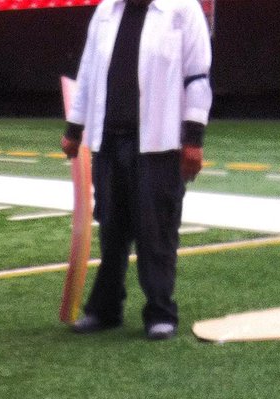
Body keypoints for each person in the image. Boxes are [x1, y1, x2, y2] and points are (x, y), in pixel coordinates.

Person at [62, 0, 212, 340]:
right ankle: (105, 310)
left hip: (159, 143)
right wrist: (74, 128)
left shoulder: (182, 9)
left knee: (156, 230)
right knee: (111, 230)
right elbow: (87, 72)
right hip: (108, 140)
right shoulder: (105, 11)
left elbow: (197, 77)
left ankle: (160, 312)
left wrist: (194, 138)